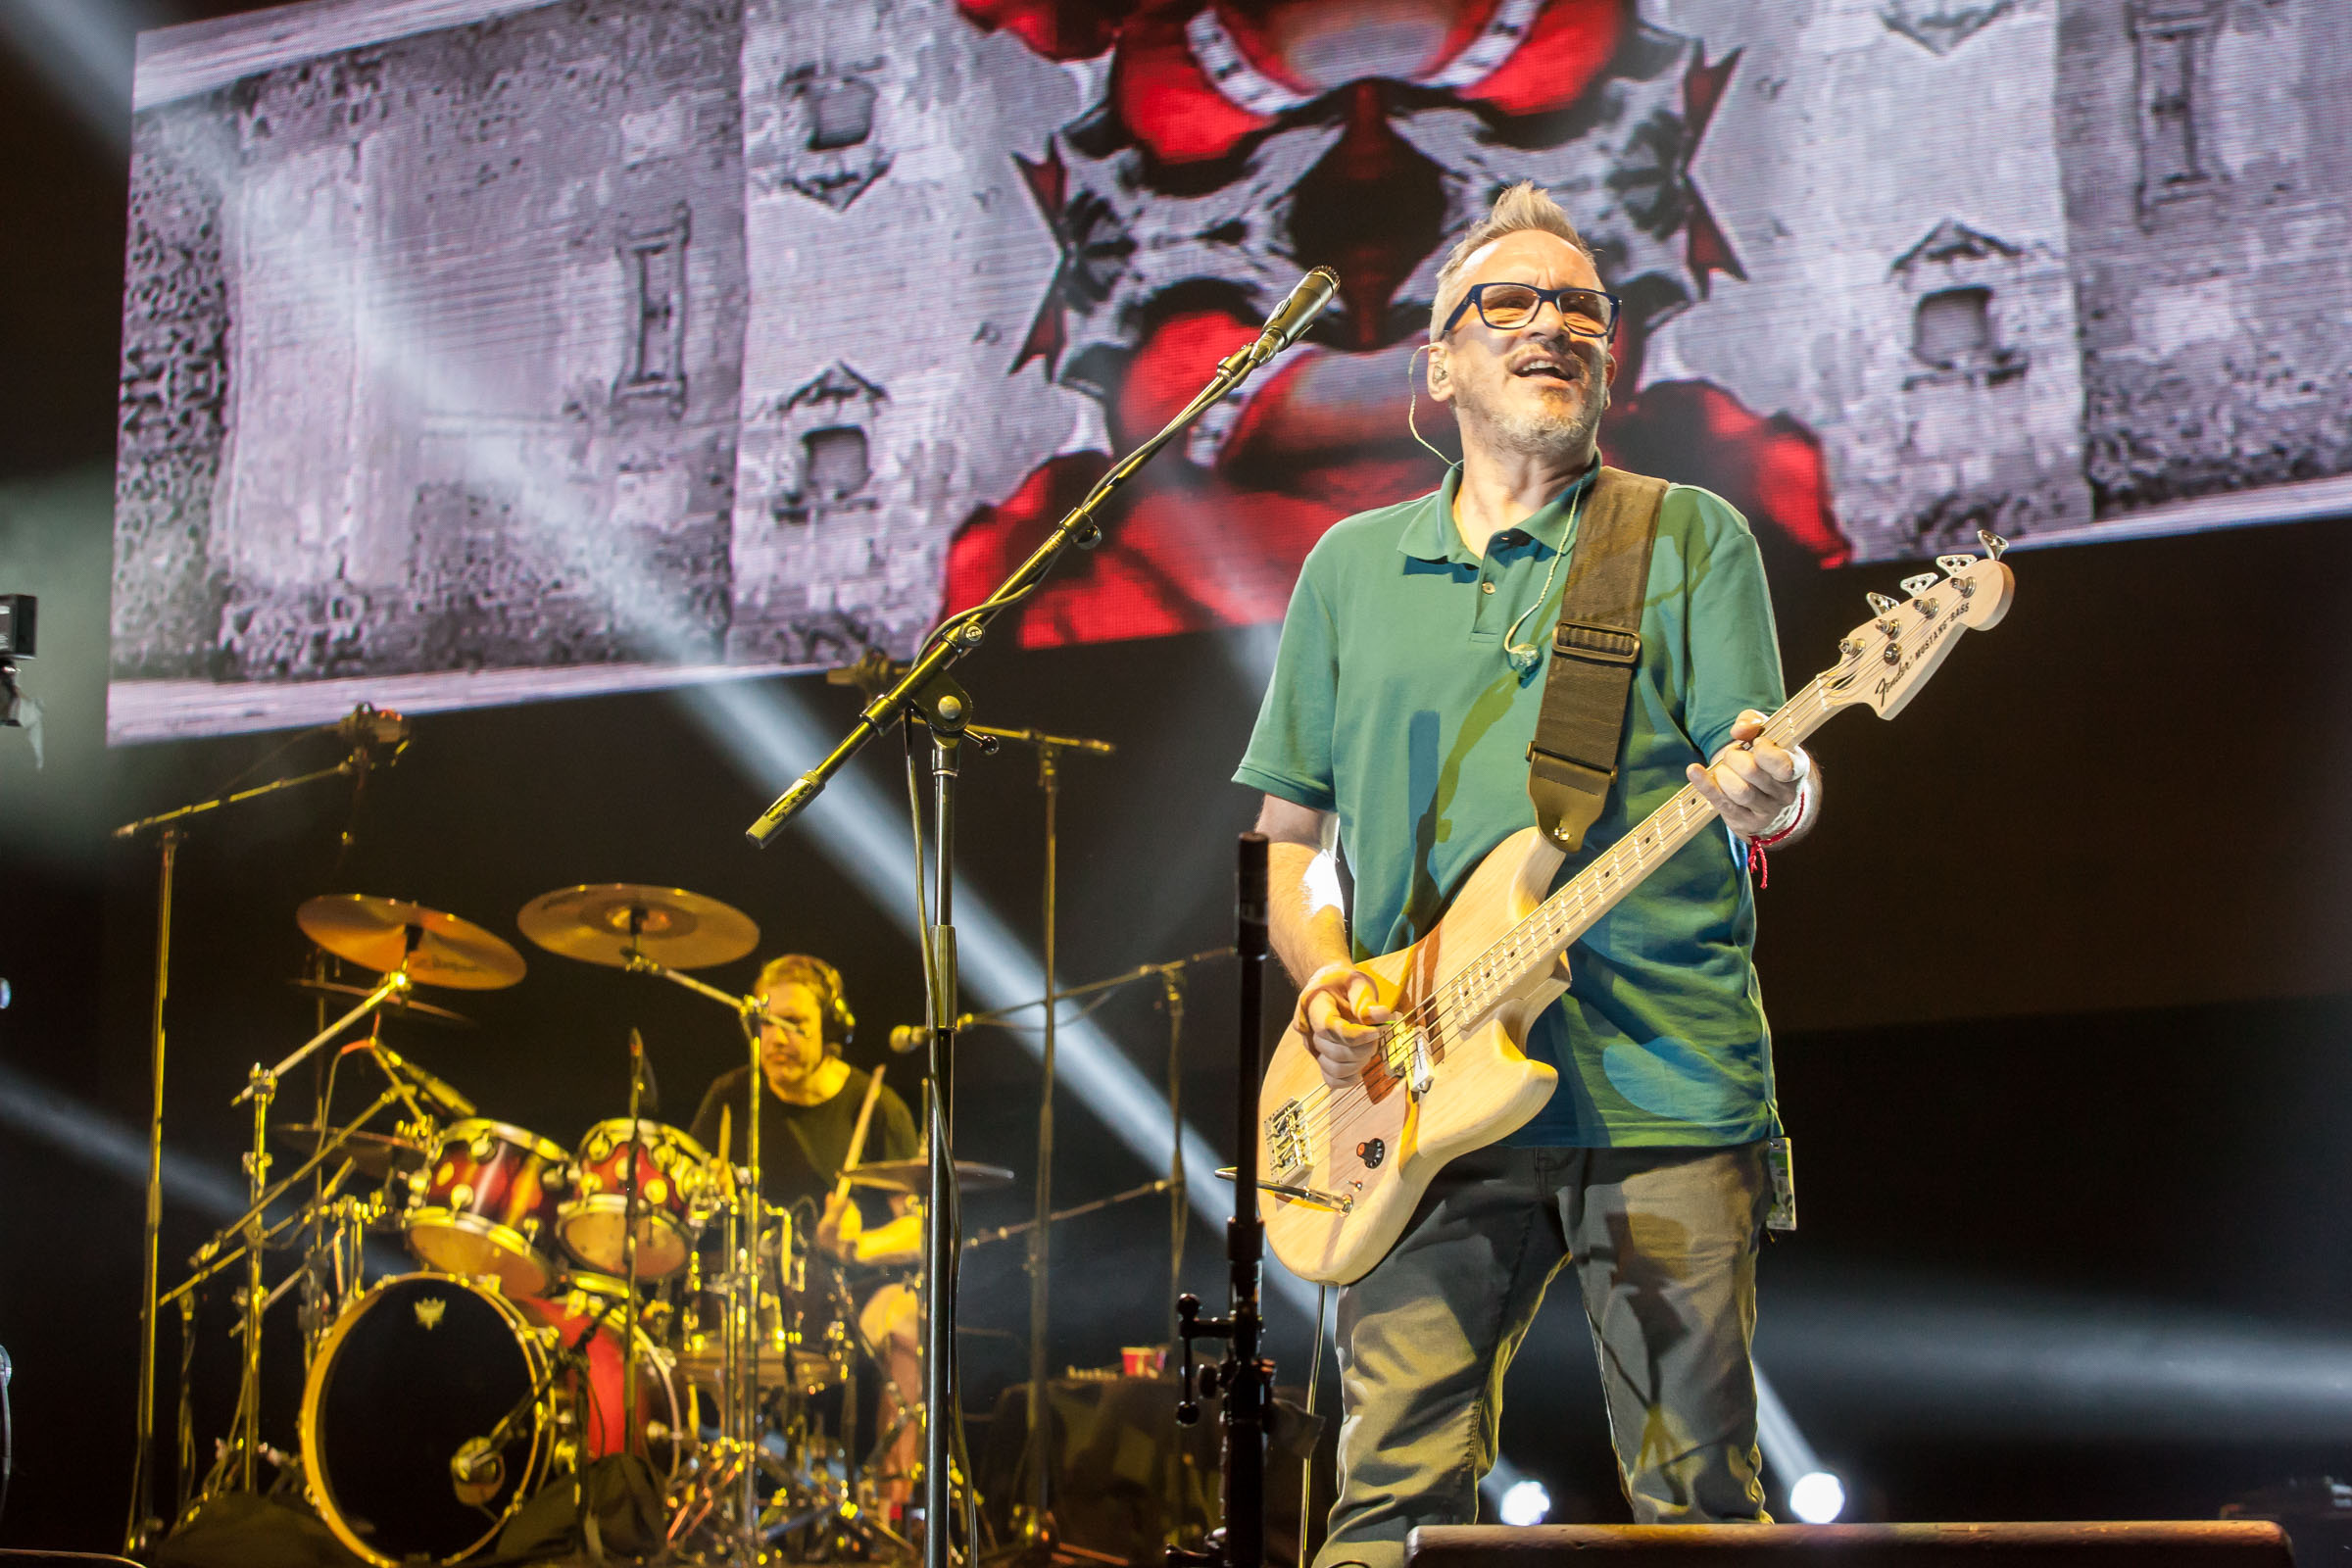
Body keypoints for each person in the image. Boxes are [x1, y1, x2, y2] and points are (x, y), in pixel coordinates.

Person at [1233, 182, 1820, 1566]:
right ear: (1438, 361)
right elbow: (1293, 847)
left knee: (1701, 1513)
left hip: (1666, 1085)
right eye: (1510, 302)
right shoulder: (1348, 569)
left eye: (1582, 309)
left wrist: (1773, 788)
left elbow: (1773, 773)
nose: (1552, 325)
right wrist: (1330, 987)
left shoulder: (1684, 537)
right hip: (1417, 1099)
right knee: (1385, 1511)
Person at [686, 953, 924, 1489]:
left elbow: (922, 1231)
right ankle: (734, 1499)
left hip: (852, 1296)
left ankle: (894, 1509)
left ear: (831, 1030)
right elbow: (683, 1201)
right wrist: (705, 1194)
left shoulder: (876, 1104)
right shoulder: (730, 1097)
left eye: (796, 1023)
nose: (778, 1037)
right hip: (756, 1295)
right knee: (716, 1321)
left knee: (908, 1322)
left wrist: (858, 1245)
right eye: (767, 1023)